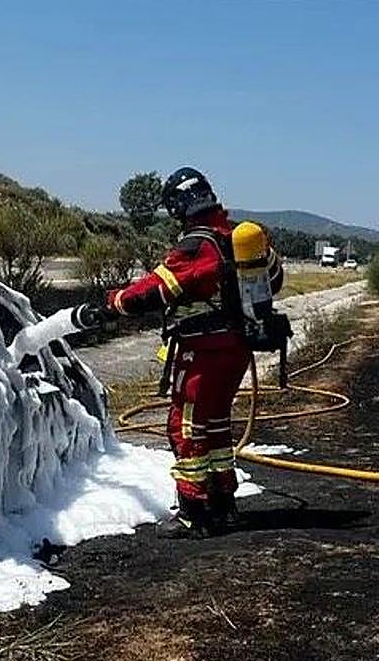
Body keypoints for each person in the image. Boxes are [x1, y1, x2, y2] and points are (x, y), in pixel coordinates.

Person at [106, 167, 283, 535]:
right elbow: (276, 280)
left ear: (179, 206)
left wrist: (116, 302)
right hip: (236, 350)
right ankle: (224, 503)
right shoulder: (237, 237)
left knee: (184, 427)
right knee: (216, 423)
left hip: (202, 352)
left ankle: (194, 513)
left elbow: (156, 290)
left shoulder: (196, 245)